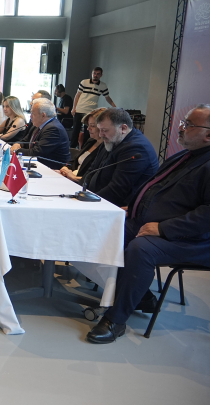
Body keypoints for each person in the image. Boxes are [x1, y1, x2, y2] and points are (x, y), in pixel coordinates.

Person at [86, 104, 210, 344]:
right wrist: (132, 208)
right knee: (106, 229)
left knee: (141, 249)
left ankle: (115, 320)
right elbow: (153, 188)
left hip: (192, 239)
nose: (181, 128)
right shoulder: (185, 156)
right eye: (183, 123)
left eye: (188, 125)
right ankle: (140, 296)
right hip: (152, 223)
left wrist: (163, 229)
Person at [85, 108, 159, 207]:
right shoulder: (112, 139)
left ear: (123, 128)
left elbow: (116, 190)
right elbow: (92, 170)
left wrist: (86, 202)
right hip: (99, 199)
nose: (100, 134)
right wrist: (80, 192)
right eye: (100, 129)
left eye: (104, 130)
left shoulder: (136, 148)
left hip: (120, 207)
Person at [10, 98, 70, 169]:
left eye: (33, 113)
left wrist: (16, 151)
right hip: (37, 164)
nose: (30, 116)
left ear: (43, 115)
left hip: (52, 169)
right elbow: (25, 140)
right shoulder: (38, 124)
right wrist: (18, 144)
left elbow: (37, 152)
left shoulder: (53, 129)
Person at [57, 107, 106, 183]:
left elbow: (94, 178)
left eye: (92, 126)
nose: (88, 128)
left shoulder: (106, 149)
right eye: (88, 125)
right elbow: (74, 161)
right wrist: (65, 168)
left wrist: (74, 177)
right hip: (71, 178)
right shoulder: (91, 141)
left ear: (103, 127)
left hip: (79, 183)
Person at [71, 67, 116, 148]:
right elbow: (77, 95)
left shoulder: (103, 86)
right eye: (94, 73)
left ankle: (85, 149)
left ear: (101, 75)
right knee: (75, 131)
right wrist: (74, 108)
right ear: (92, 74)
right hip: (80, 109)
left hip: (91, 112)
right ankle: (72, 149)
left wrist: (114, 106)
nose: (95, 75)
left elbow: (107, 97)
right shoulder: (84, 82)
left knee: (88, 132)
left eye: (98, 74)